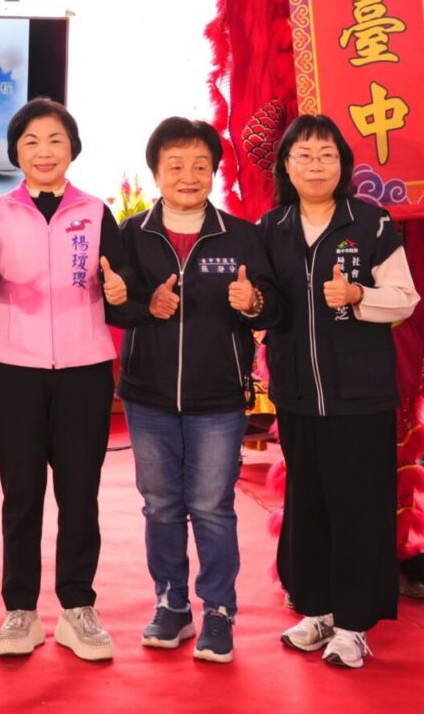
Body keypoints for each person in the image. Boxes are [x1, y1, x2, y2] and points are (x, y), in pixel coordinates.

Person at [249, 115, 419, 671]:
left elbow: (405, 298)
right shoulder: (270, 228)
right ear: (287, 166)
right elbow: (269, 306)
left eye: (326, 155)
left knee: (358, 509)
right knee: (308, 505)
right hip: (297, 392)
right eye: (303, 155)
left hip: (361, 395)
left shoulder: (370, 224)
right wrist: (252, 305)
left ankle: (352, 625)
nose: (315, 165)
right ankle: (316, 610)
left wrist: (358, 295)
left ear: (343, 165)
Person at [0, 98, 123, 662]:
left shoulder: (97, 212)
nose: (44, 151)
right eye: (31, 141)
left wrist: (121, 291)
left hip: (85, 369)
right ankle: (21, 610)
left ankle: (78, 608)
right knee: (22, 493)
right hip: (15, 368)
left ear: (72, 148)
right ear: (15, 152)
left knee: (80, 494)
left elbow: (121, 284)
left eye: (55, 140)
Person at [104, 116, 267, 662]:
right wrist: (143, 305)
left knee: (212, 506)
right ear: (156, 172)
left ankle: (218, 610)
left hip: (217, 397)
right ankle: (172, 602)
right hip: (148, 395)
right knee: (160, 505)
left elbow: (273, 303)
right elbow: (112, 303)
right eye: (175, 165)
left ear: (215, 172)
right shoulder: (131, 233)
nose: (188, 176)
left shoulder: (240, 235)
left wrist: (253, 303)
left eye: (200, 165)